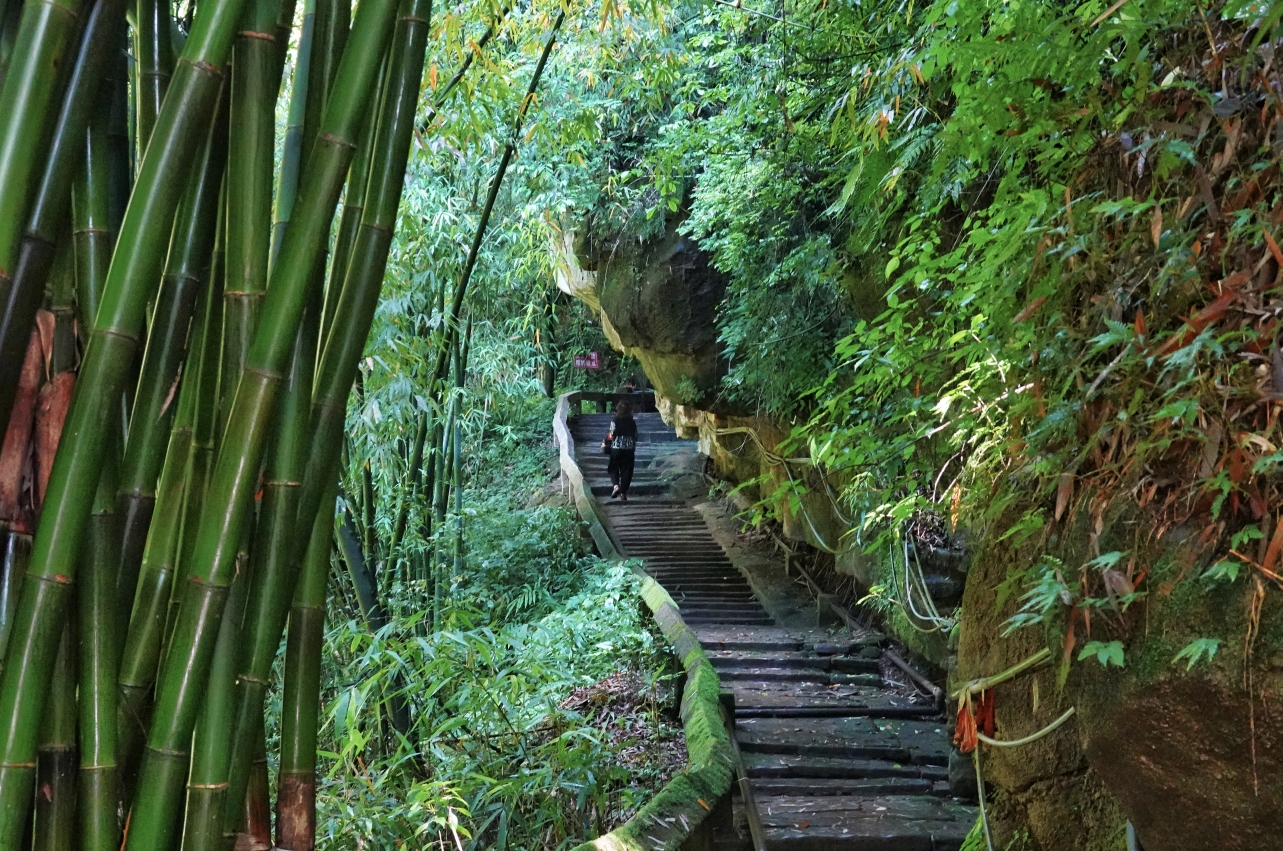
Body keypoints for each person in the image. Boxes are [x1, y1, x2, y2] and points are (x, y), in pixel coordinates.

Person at [605, 399, 638, 501]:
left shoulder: (615, 420)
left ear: (617, 409)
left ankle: (616, 486)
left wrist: (606, 443)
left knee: (613, 468)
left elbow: (611, 434)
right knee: (627, 471)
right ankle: (623, 493)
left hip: (616, 448)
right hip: (629, 450)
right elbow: (635, 436)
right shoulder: (632, 422)